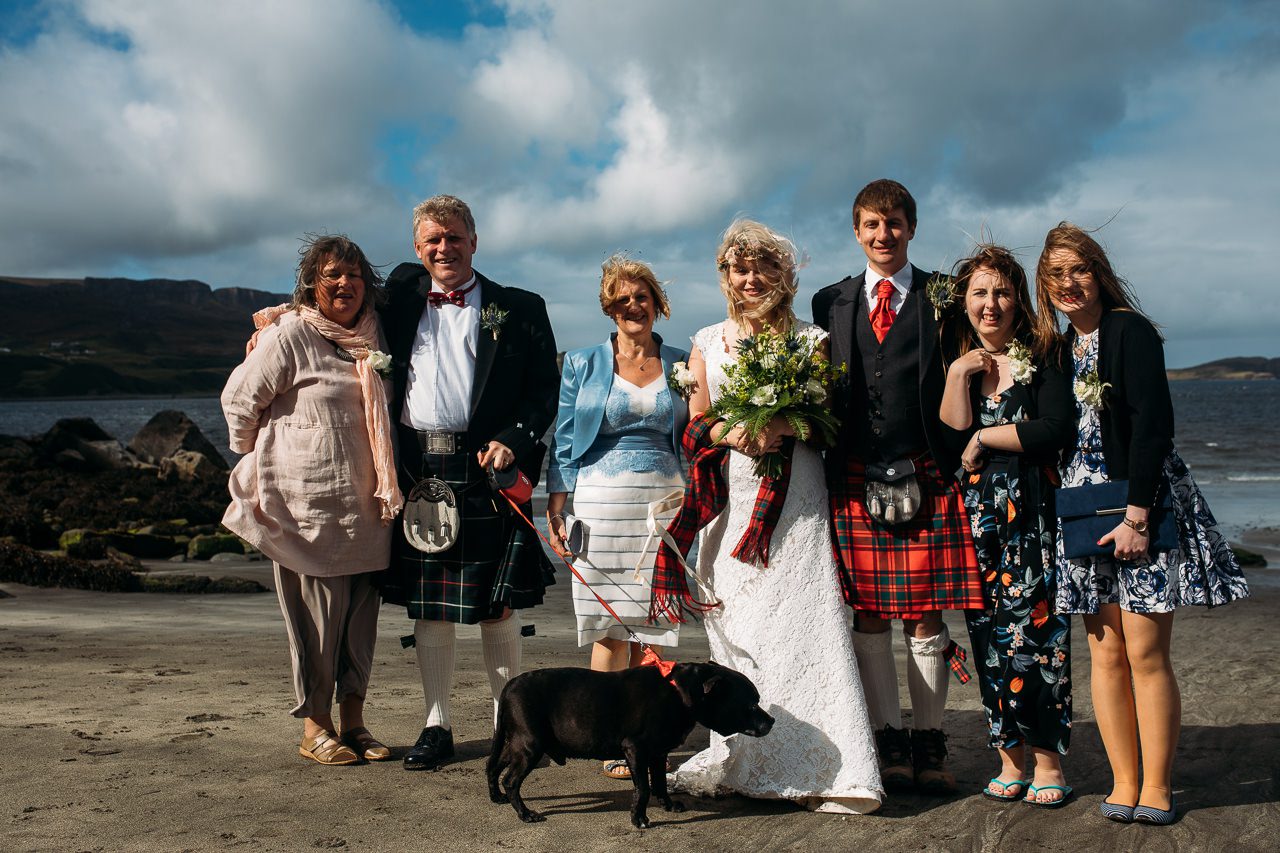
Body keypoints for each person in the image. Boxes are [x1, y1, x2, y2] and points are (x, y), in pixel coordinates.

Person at [660, 219, 882, 814]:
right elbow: (695, 423)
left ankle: (825, 764)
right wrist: (732, 429)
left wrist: (783, 424)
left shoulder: (810, 340)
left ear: (783, 275)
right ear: (725, 275)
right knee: (744, 625)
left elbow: (829, 421)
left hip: (797, 503)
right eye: (738, 267)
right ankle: (748, 760)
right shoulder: (707, 340)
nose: (749, 277)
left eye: (762, 267)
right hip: (731, 502)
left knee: (807, 620)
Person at [1036, 222, 1249, 824]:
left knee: (1147, 653)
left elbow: (1154, 423)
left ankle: (1157, 784)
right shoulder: (1053, 349)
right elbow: (1052, 428)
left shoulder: (1130, 331)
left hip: (1139, 502)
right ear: (1045, 285)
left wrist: (1138, 514)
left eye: (1079, 269)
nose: (1069, 283)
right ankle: (1123, 782)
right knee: (1104, 654)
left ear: (1098, 271)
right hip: (1081, 509)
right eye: (1057, 275)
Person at [812, 179, 983, 795]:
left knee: (924, 614)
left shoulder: (944, 296)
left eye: (894, 224)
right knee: (867, 613)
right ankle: (886, 741)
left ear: (912, 227)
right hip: (857, 471)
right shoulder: (829, 300)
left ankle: (929, 743)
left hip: (927, 466)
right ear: (856, 232)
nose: (883, 236)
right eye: (871, 226)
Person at [379, 195, 559, 771]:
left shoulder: (519, 307)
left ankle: (512, 726)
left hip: (485, 468)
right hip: (419, 471)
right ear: (417, 248)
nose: (444, 248)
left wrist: (517, 437)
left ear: (474, 241)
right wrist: (278, 316)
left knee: (495, 606)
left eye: (454, 237)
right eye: (433, 240)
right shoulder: (402, 296)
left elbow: (542, 393)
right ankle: (437, 725)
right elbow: (336, 301)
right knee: (429, 608)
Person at [221, 234, 401, 766]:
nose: (343, 284)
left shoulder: (374, 336)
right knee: (316, 622)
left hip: (369, 508)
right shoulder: (291, 334)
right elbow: (239, 401)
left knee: (359, 623)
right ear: (312, 283)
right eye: (331, 276)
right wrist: (262, 459)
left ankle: (355, 722)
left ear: (367, 285)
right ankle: (315, 728)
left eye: (352, 275)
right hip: (307, 507)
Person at [938, 245, 1076, 806]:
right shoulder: (961, 361)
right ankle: (1007, 758)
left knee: (1039, 640)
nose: (990, 304)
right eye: (979, 293)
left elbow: (1054, 429)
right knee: (986, 639)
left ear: (1018, 300)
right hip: (976, 521)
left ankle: (1048, 763)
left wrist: (984, 440)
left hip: (1031, 517)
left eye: (1000, 292)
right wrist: (956, 373)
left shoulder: (1043, 354)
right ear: (965, 303)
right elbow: (949, 436)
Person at [545, 255, 689, 779]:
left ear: (657, 303)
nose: (633, 305)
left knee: (649, 624)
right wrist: (556, 503)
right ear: (609, 307)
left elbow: (698, 430)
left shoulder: (681, 361)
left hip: (665, 502)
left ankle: (642, 731)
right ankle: (608, 734)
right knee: (609, 625)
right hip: (601, 503)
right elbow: (564, 435)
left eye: (642, 296)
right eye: (622, 299)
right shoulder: (582, 363)